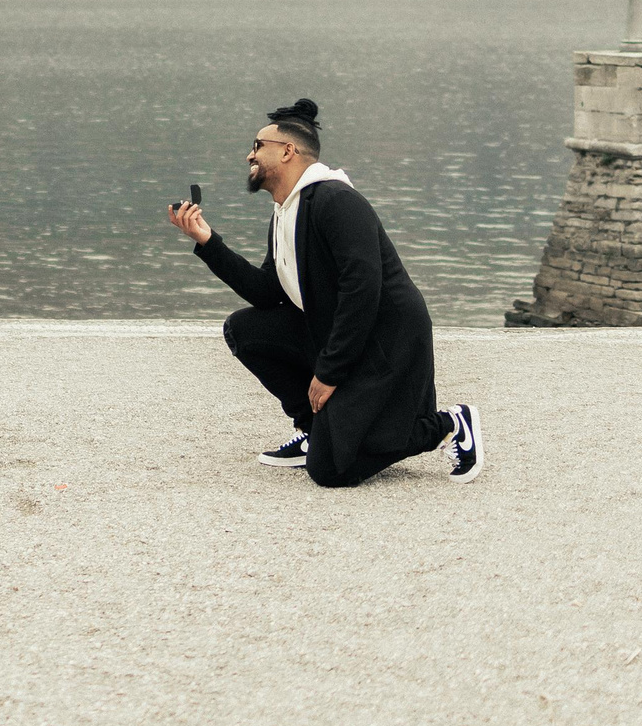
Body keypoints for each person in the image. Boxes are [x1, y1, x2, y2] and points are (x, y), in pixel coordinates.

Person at [168, 98, 479, 487]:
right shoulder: (286, 210)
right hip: (339, 333)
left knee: (331, 470)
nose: (249, 154)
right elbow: (268, 293)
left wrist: (330, 371)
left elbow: (362, 288)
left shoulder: (336, 200)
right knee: (244, 329)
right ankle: (315, 430)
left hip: (385, 341)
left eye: (257, 146)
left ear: (286, 151)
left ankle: (448, 424)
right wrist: (207, 241)